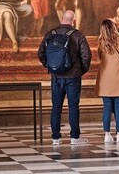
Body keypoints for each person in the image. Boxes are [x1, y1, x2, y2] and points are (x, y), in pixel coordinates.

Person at [37, 10, 91, 145]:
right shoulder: (78, 35)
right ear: (73, 21)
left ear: (62, 18)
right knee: (73, 107)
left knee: (56, 107)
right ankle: (74, 138)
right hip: (73, 77)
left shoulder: (50, 34)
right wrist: (80, 70)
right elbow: (86, 56)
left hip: (56, 77)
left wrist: (50, 67)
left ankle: (56, 138)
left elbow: (40, 53)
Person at [95, 19, 119, 143]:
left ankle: (107, 134)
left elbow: (100, 57)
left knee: (107, 107)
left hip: (105, 77)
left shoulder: (101, 42)